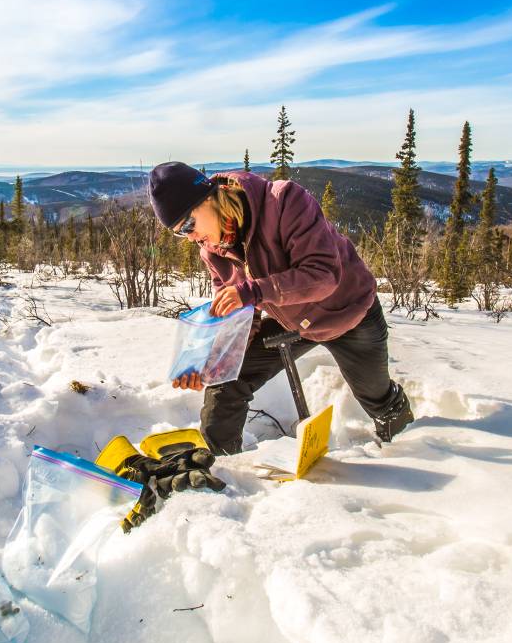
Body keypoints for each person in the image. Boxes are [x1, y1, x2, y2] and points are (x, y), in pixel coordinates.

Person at [150, 160, 414, 454]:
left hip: (349, 314)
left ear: (210, 197)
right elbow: (237, 314)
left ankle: (420, 450)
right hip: (291, 321)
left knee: (377, 398)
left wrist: (254, 291)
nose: (190, 236)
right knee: (227, 384)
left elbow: (324, 275)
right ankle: (224, 468)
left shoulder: (284, 201)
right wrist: (213, 364)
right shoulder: (213, 251)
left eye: (188, 224)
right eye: (179, 232)